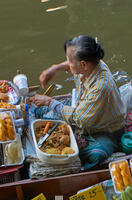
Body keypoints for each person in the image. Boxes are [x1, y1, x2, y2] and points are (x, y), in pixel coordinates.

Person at [32, 35, 125, 170]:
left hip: (105, 130)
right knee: (39, 111)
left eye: (69, 61)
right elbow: (71, 64)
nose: (68, 65)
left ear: (83, 65)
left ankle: (81, 170)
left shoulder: (100, 86)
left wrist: (49, 102)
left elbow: (79, 118)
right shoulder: (89, 64)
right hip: (83, 110)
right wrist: (54, 68)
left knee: (95, 155)